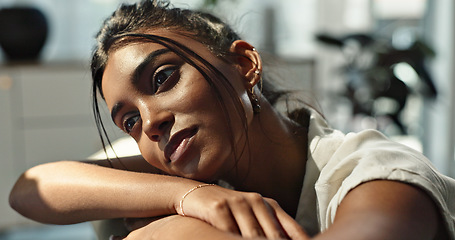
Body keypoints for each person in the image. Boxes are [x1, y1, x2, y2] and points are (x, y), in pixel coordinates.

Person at [8, 0, 455, 239]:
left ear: (244, 65)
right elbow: (32, 189)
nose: (151, 124)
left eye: (162, 78)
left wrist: (169, 234)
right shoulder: (197, 172)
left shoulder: (379, 176)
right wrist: (189, 197)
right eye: (128, 121)